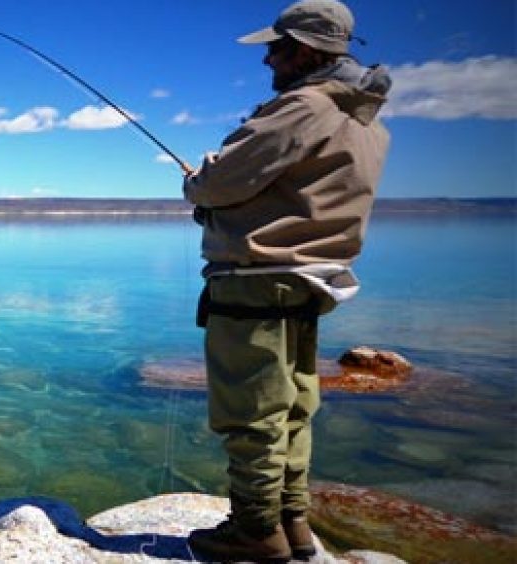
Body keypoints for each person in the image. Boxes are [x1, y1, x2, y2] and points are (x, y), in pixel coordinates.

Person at [181, 1, 391, 561]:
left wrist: (198, 180)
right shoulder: (365, 122)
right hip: (311, 279)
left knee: (252, 412)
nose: (268, 58)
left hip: (257, 278)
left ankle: (254, 531)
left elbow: (219, 184)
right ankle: (293, 523)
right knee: (294, 405)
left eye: (276, 47)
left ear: (303, 50)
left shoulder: (302, 107)